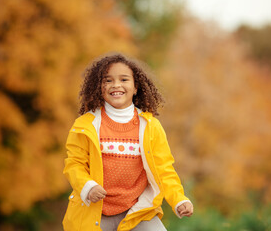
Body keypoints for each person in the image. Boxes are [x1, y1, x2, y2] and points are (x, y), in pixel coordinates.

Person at [63, 53, 193, 231]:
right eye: (108, 80)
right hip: (94, 212)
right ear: (99, 87)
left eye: (124, 79)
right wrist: (88, 187)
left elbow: (164, 170)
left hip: (137, 211)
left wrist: (179, 199)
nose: (116, 85)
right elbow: (74, 164)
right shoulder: (85, 124)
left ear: (135, 87)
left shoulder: (150, 126)